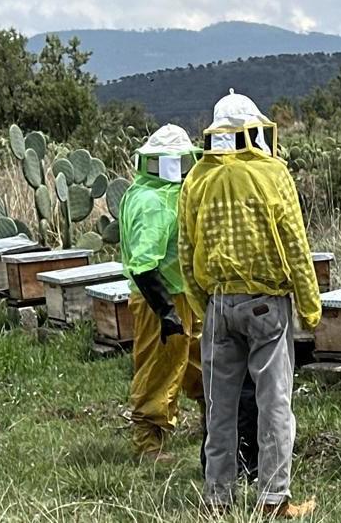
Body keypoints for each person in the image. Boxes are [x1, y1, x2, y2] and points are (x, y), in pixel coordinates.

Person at [180, 89, 319, 519]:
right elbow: (295, 243)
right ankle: (274, 499)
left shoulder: (196, 179)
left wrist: (203, 302)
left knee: (218, 406)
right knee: (274, 403)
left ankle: (217, 498)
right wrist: (310, 305)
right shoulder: (272, 173)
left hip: (218, 303)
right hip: (267, 303)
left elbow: (186, 250)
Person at [119, 124, 204, 462]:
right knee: (158, 369)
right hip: (161, 298)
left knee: (197, 362)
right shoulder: (153, 201)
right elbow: (143, 265)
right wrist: (166, 311)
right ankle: (147, 444)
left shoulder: (153, 192)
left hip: (183, 294)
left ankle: (212, 421)